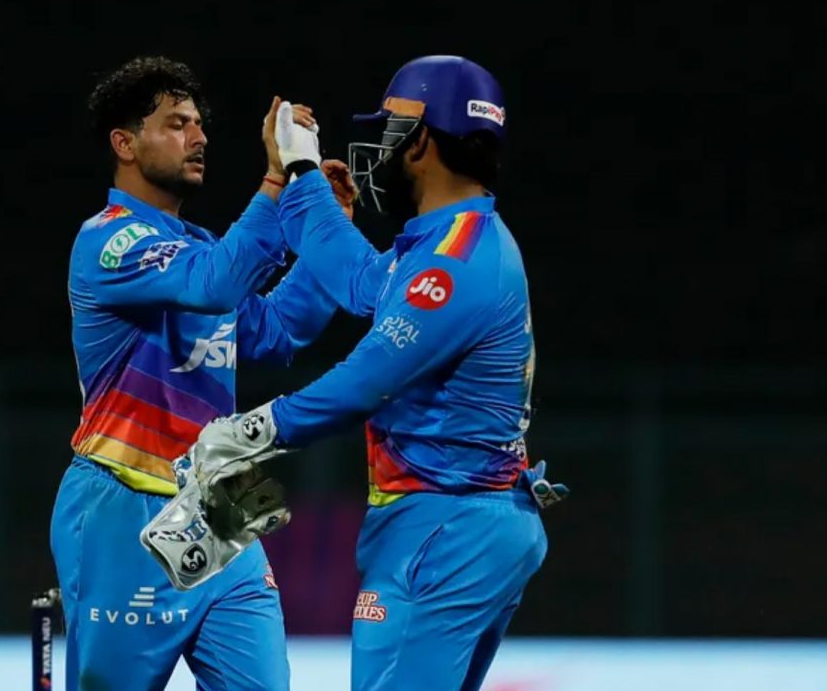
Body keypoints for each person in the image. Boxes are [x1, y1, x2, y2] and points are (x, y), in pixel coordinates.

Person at [187, 56, 568, 690]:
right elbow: (360, 278)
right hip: (464, 521)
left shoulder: (454, 264)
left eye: (391, 128)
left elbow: (364, 380)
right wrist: (302, 174)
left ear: (420, 142)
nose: (380, 145)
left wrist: (246, 432)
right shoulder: (455, 241)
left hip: (443, 528)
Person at [51, 56, 353, 690]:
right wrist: (278, 179)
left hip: (218, 507)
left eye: (199, 124)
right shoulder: (109, 242)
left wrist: (332, 237)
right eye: (176, 123)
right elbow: (214, 284)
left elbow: (277, 331)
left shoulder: (198, 250)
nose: (199, 137)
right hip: (123, 508)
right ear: (125, 144)